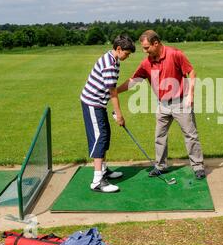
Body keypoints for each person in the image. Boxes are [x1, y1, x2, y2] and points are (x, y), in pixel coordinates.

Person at [117, 30, 206, 180]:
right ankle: (160, 166)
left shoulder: (175, 54)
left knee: (190, 136)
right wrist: (115, 91)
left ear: (156, 43)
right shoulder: (146, 62)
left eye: (146, 48)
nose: (145, 51)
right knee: (160, 136)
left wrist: (191, 94)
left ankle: (198, 167)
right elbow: (134, 81)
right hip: (162, 105)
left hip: (180, 102)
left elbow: (191, 72)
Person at [80, 34, 136, 193]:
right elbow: (113, 93)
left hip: (99, 103)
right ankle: (97, 181)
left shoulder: (113, 59)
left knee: (106, 134)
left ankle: (103, 170)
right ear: (118, 49)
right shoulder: (110, 65)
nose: (127, 56)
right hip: (92, 103)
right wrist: (119, 115)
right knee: (100, 137)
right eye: (126, 53)